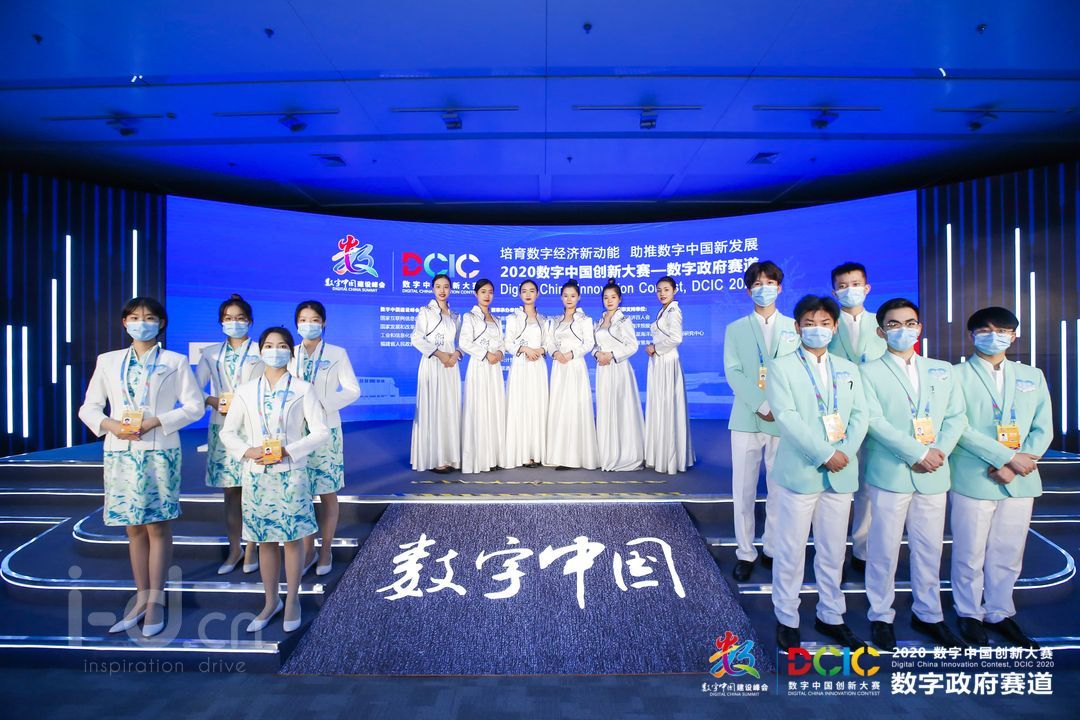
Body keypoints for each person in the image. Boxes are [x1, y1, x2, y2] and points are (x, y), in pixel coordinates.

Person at [78, 296, 203, 638]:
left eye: (148, 318)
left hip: (159, 451)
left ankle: (156, 602)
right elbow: (89, 407)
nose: (141, 323)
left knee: (157, 526)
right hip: (120, 452)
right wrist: (111, 425)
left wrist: (156, 421)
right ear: (124, 323)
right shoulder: (108, 361)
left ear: (161, 323)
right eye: (134, 317)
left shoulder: (175, 362)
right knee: (132, 527)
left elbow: (194, 407)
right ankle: (141, 598)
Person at [860, 298, 967, 650]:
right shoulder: (867, 371)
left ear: (919, 328)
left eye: (909, 323)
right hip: (891, 472)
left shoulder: (942, 370)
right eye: (893, 324)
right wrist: (917, 452)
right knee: (884, 548)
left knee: (929, 547)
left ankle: (929, 614)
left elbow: (956, 417)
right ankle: (880, 615)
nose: (902, 330)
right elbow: (873, 421)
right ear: (881, 332)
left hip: (934, 471)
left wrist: (938, 453)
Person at [765, 294, 868, 652]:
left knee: (833, 549)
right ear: (797, 327)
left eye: (824, 323)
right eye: (809, 323)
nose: (817, 329)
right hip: (800, 471)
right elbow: (787, 417)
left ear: (835, 327)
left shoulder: (848, 368)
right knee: (791, 549)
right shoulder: (781, 367)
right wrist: (825, 453)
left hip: (841, 472)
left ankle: (831, 615)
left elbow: (860, 415)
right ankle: (787, 617)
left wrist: (844, 453)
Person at [949, 307, 1052, 648]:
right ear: (971, 335)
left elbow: (1043, 427)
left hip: (1021, 476)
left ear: (1014, 336)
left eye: (1003, 330)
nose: (994, 336)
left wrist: (1020, 461)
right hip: (974, 474)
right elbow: (958, 427)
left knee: (1009, 550)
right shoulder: (954, 376)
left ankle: (1000, 610)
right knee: (970, 550)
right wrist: (1005, 458)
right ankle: (968, 612)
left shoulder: (1031, 375)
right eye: (985, 330)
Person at [220, 327, 329, 633]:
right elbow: (228, 432)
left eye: (282, 346)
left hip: (291, 474)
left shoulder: (303, 389)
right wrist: (248, 451)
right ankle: (271, 601)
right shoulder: (245, 391)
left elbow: (320, 431)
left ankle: (292, 599)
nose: (275, 350)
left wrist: (289, 451)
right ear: (260, 351)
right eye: (269, 345)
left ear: (290, 352)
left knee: (292, 540)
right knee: (265, 541)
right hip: (257, 475)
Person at [724, 261, 800, 581]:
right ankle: (745, 551)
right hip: (746, 417)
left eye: (769, 283)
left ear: (779, 288)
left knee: (778, 488)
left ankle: (771, 547)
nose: (763, 288)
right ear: (748, 291)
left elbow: (799, 372)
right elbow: (733, 372)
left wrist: (777, 406)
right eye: (757, 284)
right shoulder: (736, 328)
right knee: (742, 490)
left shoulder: (795, 327)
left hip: (782, 419)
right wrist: (759, 403)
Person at [290, 300, 361, 577]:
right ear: (297, 323)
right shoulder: (288, 352)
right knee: (302, 492)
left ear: (324, 323)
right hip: (295, 432)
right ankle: (308, 550)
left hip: (326, 429)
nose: (309, 324)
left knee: (327, 491)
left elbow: (352, 389)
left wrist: (322, 405)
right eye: (303, 320)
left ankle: (326, 550)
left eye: (314, 320)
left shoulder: (336, 353)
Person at [195, 294, 264, 575]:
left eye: (240, 318)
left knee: (255, 491)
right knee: (232, 493)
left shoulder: (263, 350)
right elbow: (193, 390)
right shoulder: (211, 353)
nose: (234, 323)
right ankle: (235, 549)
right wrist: (214, 401)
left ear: (250, 321)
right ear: (221, 322)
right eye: (228, 318)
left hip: (255, 428)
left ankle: (253, 549)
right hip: (224, 428)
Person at [829, 262, 887, 574]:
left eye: (854, 284)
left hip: (875, 416)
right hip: (836, 417)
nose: (849, 290)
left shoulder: (884, 324)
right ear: (834, 292)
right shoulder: (827, 325)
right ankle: (832, 553)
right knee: (837, 487)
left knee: (868, 486)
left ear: (866, 288)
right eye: (842, 286)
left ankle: (862, 550)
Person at [410, 274, 463, 473]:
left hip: (451, 366)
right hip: (433, 363)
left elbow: (462, 342)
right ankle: (433, 458)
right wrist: (440, 354)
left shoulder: (455, 316)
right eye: (438, 286)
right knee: (432, 407)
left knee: (449, 408)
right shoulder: (425, 312)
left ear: (451, 290)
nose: (442, 290)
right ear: (433, 289)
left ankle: (449, 456)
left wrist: (456, 355)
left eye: (446, 286)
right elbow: (416, 338)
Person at [544, 278, 599, 470]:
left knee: (575, 407)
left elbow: (589, 343)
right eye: (566, 295)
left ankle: (575, 456)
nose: (569, 299)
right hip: (559, 366)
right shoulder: (555, 320)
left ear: (579, 297)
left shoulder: (585, 320)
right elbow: (549, 342)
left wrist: (571, 354)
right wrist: (555, 353)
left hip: (575, 366)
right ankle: (559, 454)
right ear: (561, 297)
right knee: (559, 407)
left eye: (573, 296)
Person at [593, 279, 645, 471]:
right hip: (603, 369)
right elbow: (594, 345)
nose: (609, 301)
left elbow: (633, 346)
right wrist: (598, 354)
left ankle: (625, 454)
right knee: (605, 408)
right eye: (606, 297)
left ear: (619, 299)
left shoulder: (624, 321)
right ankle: (607, 453)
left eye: (613, 297)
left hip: (619, 368)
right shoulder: (600, 321)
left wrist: (612, 355)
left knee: (622, 408)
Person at [644, 276, 694, 474]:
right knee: (660, 405)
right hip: (659, 360)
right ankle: (661, 454)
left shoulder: (674, 311)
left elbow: (676, 338)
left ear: (674, 291)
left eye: (666, 289)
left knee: (668, 405)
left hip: (667, 360)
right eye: (659, 290)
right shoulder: (663, 310)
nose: (662, 293)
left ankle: (671, 458)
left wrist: (655, 348)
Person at [460, 279, 506, 473]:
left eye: (490, 292)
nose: (487, 296)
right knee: (479, 408)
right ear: (476, 294)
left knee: (494, 407)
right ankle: (479, 458)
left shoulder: (496, 319)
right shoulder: (470, 317)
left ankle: (494, 456)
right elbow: (464, 342)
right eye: (483, 292)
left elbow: (502, 343)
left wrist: (500, 353)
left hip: (494, 367)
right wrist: (486, 354)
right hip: (479, 366)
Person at [503, 279, 548, 468]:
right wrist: (524, 349)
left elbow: (548, 344)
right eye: (524, 291)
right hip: (521, 365)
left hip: (537, 366)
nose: (528, 294)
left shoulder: (544, 320)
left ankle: (537, 452)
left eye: (531, 291)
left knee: (537, 406)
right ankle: (521, 453)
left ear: (538, 294)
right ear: (519, 294)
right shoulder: (513, 317)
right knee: (520, 406)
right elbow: (508, 343)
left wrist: (540, 351)